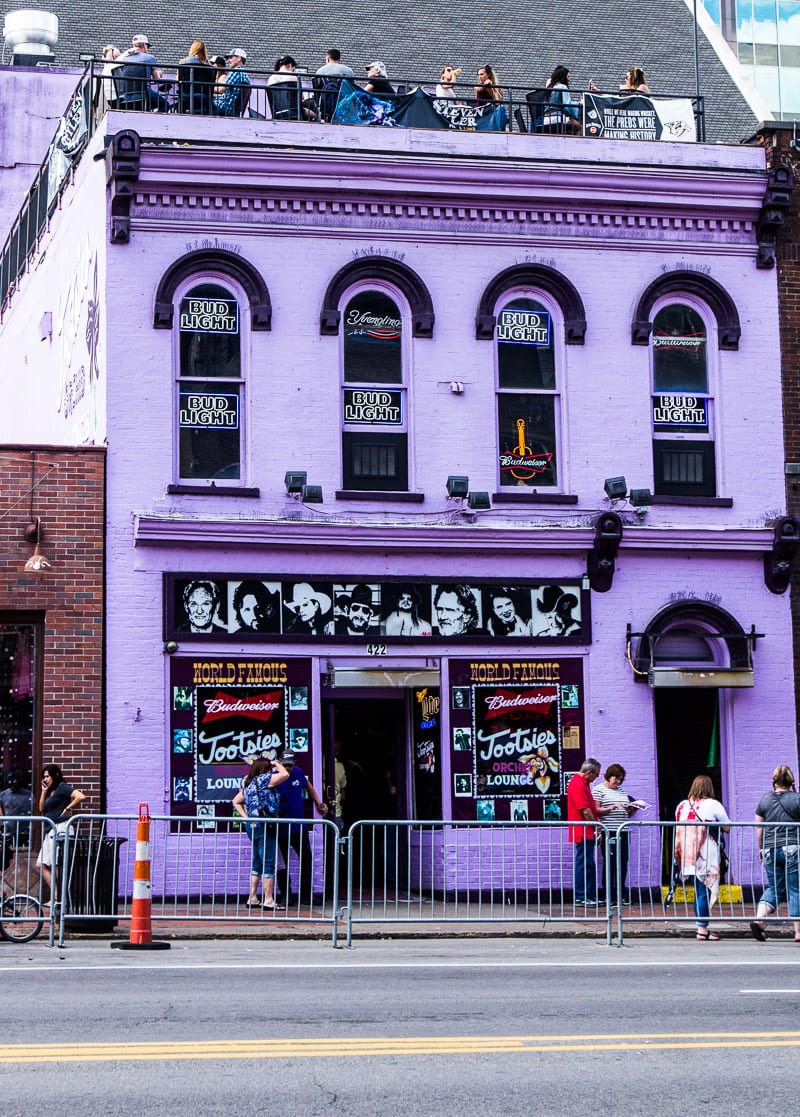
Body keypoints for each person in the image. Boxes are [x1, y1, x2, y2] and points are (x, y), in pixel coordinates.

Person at [674, 774, 731, 941]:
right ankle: (702, 929)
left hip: (687, 853)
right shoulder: (713, 804)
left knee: (698, 889)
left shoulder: (682, 805)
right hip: (706, 853)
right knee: (703, 891)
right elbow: (727, 827)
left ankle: (701, 926)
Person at [749, 764, 800, 943]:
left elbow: (759, 828)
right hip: (792, 847)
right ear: (791, 781)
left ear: (774, 781)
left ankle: (759, 920)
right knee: (795, 889)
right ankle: (798, 932)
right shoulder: (797, 799)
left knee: (775, 888)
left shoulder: (765, 800)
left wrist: (761, 848)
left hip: (770, 849)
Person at [232, 756, 289, 908]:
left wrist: (247, 818)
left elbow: (236, 801)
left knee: (257, 861)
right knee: (268, 861)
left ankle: (253, 897)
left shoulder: (249, 784)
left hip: (252, 825)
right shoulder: (264, 779)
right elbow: (285, 775)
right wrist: (277, 763)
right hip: (265, 824)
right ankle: (268, 899)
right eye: (270, 768)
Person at [275, 751, 328, 906]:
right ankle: (286, 895)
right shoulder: (274, 776)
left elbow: (308, 786)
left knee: (306, 859)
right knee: (282, 863)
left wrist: (318, 802)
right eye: (285, 764)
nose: (288, 768)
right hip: (281, 826)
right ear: (279, 762)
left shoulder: (297, 772)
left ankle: (306, 895)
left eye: (290, 764)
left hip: (299, 826)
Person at [592, 764, 645, 907]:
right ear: (609, 776)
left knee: (622, 863)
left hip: (623, 830)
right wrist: (612, 807)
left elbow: (626, 811)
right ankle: (609, 894)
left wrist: (631, 808)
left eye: (621, 780)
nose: (618, 783)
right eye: (616, 779)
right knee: (610, 863)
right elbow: (596, 810)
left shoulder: (621, 790)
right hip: (609, 830)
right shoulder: (598, 790)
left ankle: (621, 894)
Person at [36, 764, 86, 908]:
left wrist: (67, 808)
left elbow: (80, 796)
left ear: (55, 775)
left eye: (47, 776)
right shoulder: (50, 791)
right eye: (43, 777)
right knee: (41, 864)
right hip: (50, 830)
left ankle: (62, 897)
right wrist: (44, 791)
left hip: (61, 828)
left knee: (57, 864)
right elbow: (41, 809)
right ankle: (57, 895)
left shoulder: (62, 787)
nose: (45, 779)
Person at [567, 758, 601, 906]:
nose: (597, 778)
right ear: (588, 772)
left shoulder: (583, 783)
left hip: (586, 829)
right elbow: (585, 810)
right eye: (596, 775)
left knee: (588, 863)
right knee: (584, 863)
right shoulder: (578, 784)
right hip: (583, 830)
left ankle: (590, 895)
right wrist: (596, 825)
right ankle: (581, 896)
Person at [115, 34, 169, 113]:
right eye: (148, 46)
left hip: (126, 96)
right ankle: (154, 121)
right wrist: (159, 73)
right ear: (144, 45)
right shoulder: (149, 58)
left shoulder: (124, 59)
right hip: (144, 94)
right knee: (165, 104)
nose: (148, 49)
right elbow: (157, 79)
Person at [315, 48, 355, 121]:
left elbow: (316, 88)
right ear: (339, 59)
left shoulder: (320, 70)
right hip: (343, 103)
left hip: (325, 104)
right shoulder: (349, 71)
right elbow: (352, 88)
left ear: (328, 59)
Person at [177, 39, 215, 115]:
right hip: (203, 96)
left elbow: (178, 81)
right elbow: (211, 84)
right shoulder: (209, 66)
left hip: (186, 95)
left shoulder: (183, 62)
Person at [543, 65, 581, 135]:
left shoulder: (550, 87)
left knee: (569, 128)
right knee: (580, 127)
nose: (569, 79)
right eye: (568, 77)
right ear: (563, 77)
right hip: (556, 119)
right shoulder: (563, 87)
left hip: (546, 120)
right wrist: (578, 106)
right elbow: (567, 105)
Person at [213, 48, 251, 117]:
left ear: (239, 58)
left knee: (200, 102)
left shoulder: (236, 71)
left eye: (230, 58)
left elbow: (222, 89)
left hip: (223, 107)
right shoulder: (244, 74)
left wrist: (208, 89)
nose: (228, 61)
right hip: (230, 109)